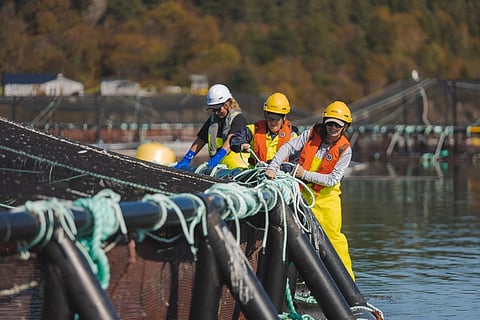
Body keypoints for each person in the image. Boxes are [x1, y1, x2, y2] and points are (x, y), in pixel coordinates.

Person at [265, 100, 355, 280]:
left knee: (333, 240)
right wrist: (273, 166)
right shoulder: (311, 133)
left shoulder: (345, 150)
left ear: (345, 126)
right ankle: (303, 281)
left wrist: (303, 174)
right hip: (303, 196)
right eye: (330, 123)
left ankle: (347, 282)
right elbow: (289, 147)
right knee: (301, 238)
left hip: (327, 200)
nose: (333, 127)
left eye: (338, 124)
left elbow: (332, 180)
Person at [175, 84, 249, 170]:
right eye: (213, 110)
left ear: (226, 105)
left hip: (237, 170)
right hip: (219, 170)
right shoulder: (213, 120)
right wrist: (187, 158)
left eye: (218, 109)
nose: (216, 112)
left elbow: (230, 141)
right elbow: (200, 140)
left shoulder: (238, 119)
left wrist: (216, 159)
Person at [230, 92, 298, 166]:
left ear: (284, 117)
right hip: (256, 173)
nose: (273, 122)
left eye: (277, 119)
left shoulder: (292, 137)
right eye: (270, 118)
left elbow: (295, 161)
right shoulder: (253, 129)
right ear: (265, 115)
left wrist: (279, 168)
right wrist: (241, 145)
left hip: (281, 175)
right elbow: (235, 140)